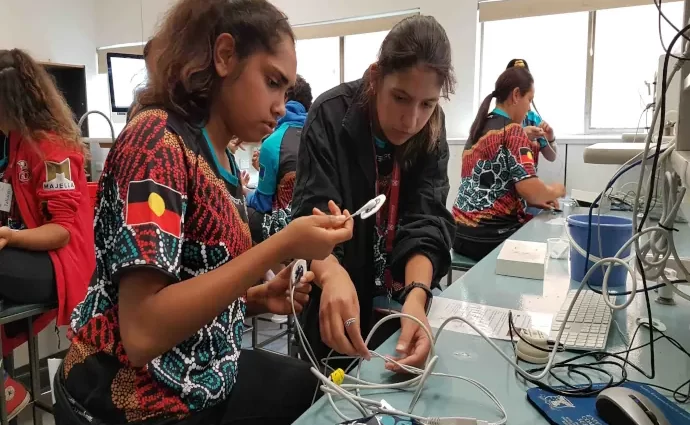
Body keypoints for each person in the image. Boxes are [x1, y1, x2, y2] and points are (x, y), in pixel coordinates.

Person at [54, 1, 352, 425]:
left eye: (286, 91)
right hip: (138, 401)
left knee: (318, 393)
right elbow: (140, 333)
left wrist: (253, 299)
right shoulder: (156, 144)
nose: (281, 106)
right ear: (225, 56)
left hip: (200, 379)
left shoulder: (223, 161)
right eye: (271, 82)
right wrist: (276, 249)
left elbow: (192, 282)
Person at [291, 15, 456, 371]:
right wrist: (332, 274)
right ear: (376, 76)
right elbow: (308, 218)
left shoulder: (431, 131)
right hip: (335, 310)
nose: (411, 120)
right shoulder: (329, 116)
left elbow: (426, 219)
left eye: (427, 104)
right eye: (400, 97)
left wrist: (417, 296)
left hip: (399, 308)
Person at [0, 49, 95, 420]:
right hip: (33, 255)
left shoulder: (52, 148)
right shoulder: (16, 142)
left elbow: (61, 232)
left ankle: (7, 389)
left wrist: (9, 235)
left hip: (62, 265)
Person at [452, 67, 566, 262]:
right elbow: (532, 191)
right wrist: (558, 190)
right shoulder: (513, 131)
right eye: (529, 99)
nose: (529, 108)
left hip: (459, 234)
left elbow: (493, 186)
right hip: (490, 238)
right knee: (552, 249)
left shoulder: (479, 127)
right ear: (515, 95)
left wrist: (534, 198)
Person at [247, 74, 312, 242]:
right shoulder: (321, 137)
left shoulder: (272, 143)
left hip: (288, 233)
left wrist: (243, 191)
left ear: (284, 99)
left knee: (241, 208)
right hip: (318, 227)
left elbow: (263, 204)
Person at [505, 59, 557, 163]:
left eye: (530, 99)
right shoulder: (496, 121)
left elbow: (552, 157)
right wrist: (521, 136)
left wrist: (550, 139)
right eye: (527, 99)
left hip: (529, 177)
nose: (529, 107)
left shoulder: (533, 119)